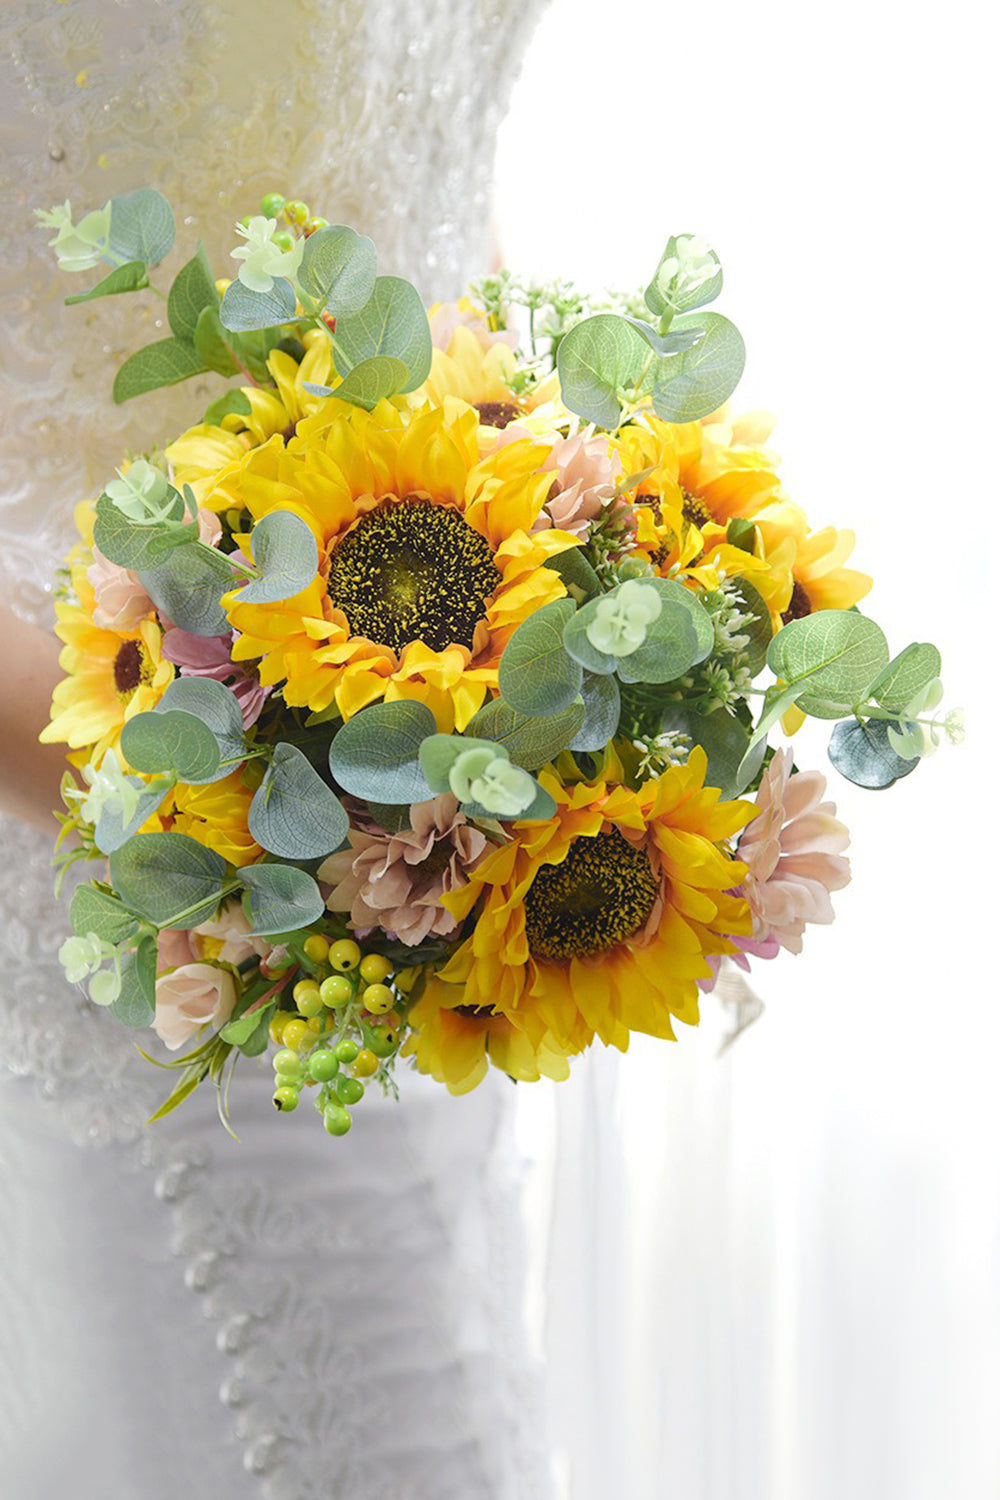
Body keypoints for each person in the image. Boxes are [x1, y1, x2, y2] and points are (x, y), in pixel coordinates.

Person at [0, 4, 555, 1496]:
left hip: (432, 843)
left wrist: (564, 545)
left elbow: (402, 169)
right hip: (116, 847)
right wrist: (227, 796)